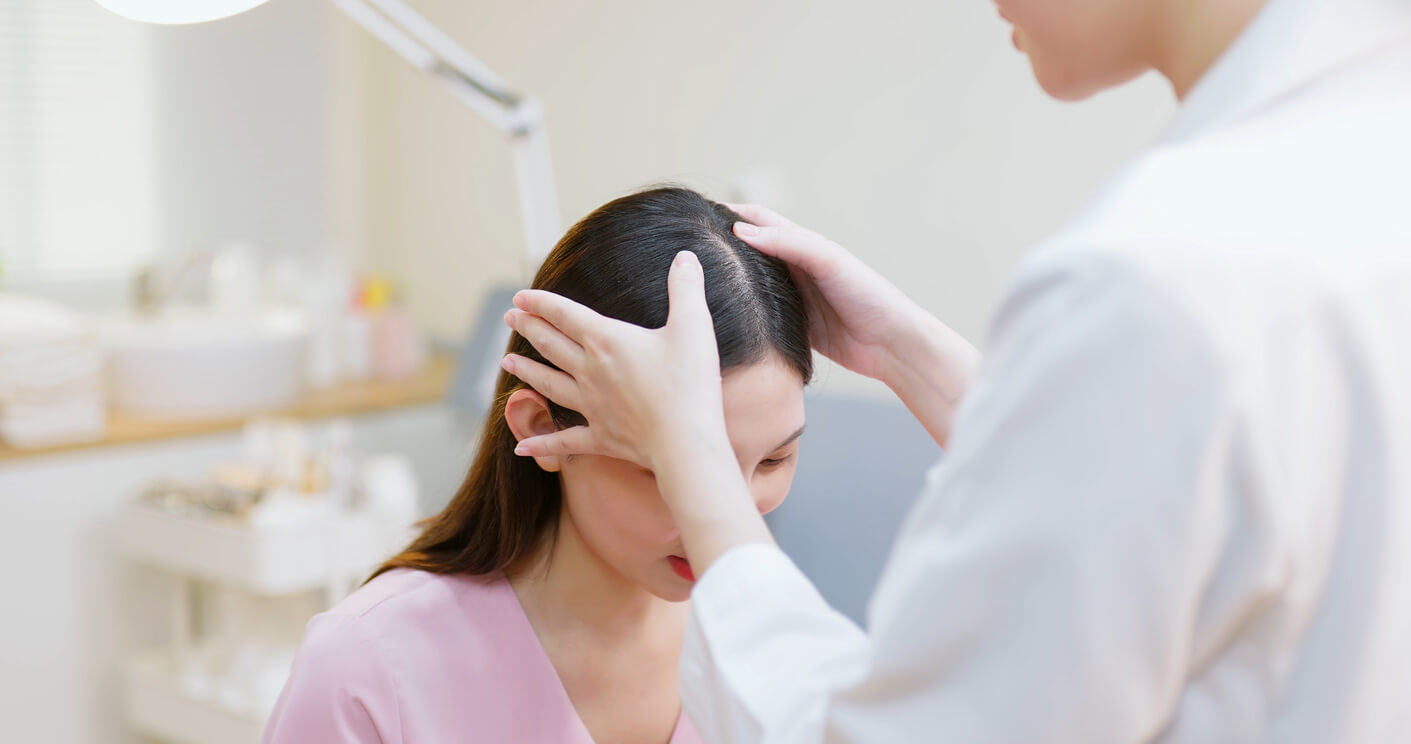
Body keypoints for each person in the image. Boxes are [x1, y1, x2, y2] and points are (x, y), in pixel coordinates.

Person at [501, 0, 1411, 740]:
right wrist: (903, 351)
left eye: (774, 459)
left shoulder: (1153, 276)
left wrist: (691, 456)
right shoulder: (1359, 165)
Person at [262, 187, 813, 744]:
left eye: (775, 459)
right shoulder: (367, 670)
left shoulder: (772, 650)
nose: (734, 511)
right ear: (546, 429)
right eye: (677, 464)